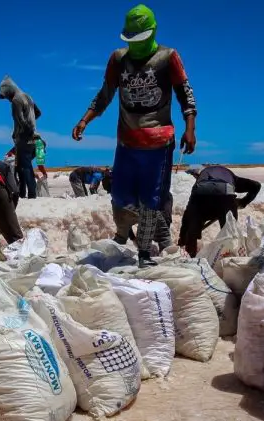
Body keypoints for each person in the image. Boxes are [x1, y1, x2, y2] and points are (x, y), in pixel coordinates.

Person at [72, 4, 198, 268]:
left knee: (151, 199)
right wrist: (85, 119)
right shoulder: (118, 59)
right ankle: (145, 235)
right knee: (120, 196)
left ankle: (144, 253)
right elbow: (104, 94)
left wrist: (190, 127)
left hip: (159, 144)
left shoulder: (168, 57)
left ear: (152, 33)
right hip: (127, 142)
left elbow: (185, 93)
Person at [178, 165, 261, 257]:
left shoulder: (202, 177)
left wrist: (182, 239)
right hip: (225, 195)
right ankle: (230, 263)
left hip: (200, 193)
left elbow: (187, 217)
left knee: (191, 232)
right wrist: (242, 202)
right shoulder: (232, 177)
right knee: (230, 235)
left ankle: (189, 260)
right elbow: (256, 185)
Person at [103, 167, 172, 253]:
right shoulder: (162, 192)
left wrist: (133, 238)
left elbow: (124, 223)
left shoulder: (119, 183)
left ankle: (110, 254)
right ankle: (168, 260)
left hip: (119, 204)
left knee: (121, 236)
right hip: (140, 202)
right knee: (163, 235)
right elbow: (164, 218)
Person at [0, 75, 42, 199]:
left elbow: (20, 120)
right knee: (21, 166)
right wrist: (32, 123)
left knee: (25, 166)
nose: (6, 98)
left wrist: (24, 130)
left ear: (9, 90)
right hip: (32, 136)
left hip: (24, 137)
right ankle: (22, 193)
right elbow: (38, 113)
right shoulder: (28, 96)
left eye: (6, 95)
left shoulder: (16, 100)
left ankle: (31, 195)